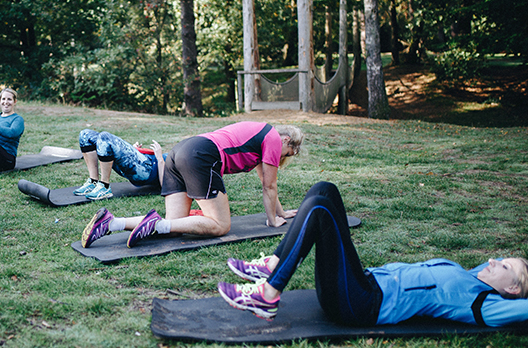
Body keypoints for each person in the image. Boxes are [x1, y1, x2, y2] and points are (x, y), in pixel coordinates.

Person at [217, 181, 528, 326]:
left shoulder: (483, 304)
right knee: (324, 190)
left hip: (361, 304)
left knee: (319, 208)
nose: (492, 260)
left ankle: (268, 294)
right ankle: (271, 265)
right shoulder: (473, 277)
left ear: (513, 288)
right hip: (361, 284)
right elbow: (484, 270)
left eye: (503, 265)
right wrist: (500, 268)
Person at [81, 122, 303, 248]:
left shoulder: (260, 136)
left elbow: (266, 181)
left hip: (181, 151)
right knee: (220, 225)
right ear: (285, 140)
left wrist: (281, 211)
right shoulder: (273, 137)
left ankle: (112, 223)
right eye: (287, 153)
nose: (282, 158)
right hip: (201, 156)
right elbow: (270, 186)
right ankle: (156, 225)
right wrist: (273, 221)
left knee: (173, 225)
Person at [72, 129, 166, 200]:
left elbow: (166, 185)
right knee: (85, 135)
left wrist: (160, 159)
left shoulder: (178, 163)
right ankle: (93, 182)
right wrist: (135, 151)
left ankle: (104, 187)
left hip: (148, 170)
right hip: (144, 161)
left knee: (105, 138)